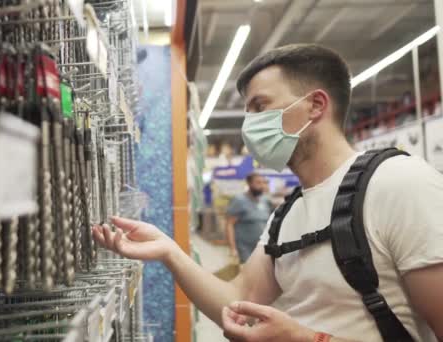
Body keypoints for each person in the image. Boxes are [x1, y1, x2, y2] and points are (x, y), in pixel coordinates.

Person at [92, 44, 443, 341]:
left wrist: (307, 339)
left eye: (260, 107)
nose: (249, 126)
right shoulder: (287, 214)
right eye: (248, 112)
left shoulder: (400, 184)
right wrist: (169, 252)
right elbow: (237, 301)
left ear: (316, 105)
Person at [225, 173, 271, 263]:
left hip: (262, 248)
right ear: (249, 183)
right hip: (245, 249)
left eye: (263, 183)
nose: (261, 185)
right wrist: (232, 248)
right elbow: (229, 224)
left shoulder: (264, 200)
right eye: (258, 183)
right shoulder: (239, 200)